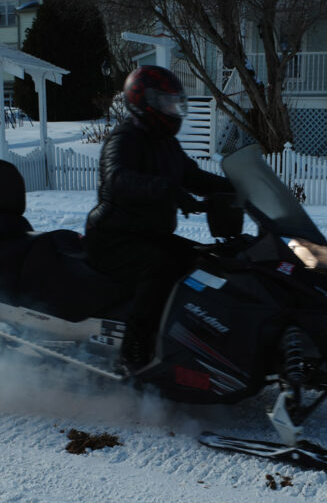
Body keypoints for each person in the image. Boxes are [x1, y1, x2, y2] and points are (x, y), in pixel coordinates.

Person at [85, 65, 234, 374]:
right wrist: (167, 189)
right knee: (160, 267)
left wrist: (235, 187)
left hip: (149, 233)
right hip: (113, 237)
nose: (172, 109)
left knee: (203, 261)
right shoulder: (124, 138)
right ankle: (134, 350)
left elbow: (192, 176)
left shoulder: (166, 143)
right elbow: (117, 178)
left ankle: (189, 337)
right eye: (165, 102)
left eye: (173, 102)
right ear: (143, 102)